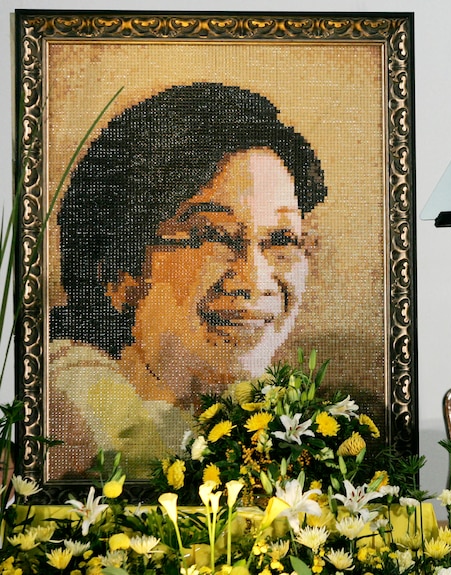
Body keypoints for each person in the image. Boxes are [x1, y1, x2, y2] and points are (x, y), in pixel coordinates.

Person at [48, 83, 328, 477]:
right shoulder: (79, 409)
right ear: (120, 273)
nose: (256, 280)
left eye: (281, 240)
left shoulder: (252, 422)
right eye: (213, 235)